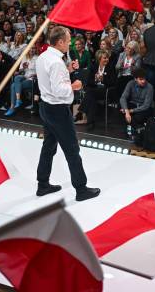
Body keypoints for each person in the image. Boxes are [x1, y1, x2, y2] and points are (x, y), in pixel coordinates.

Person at [35, 26, 100, 201]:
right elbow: (59, 90)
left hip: (46, 107)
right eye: (68, 39)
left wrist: (68, 70)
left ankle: (42, 184)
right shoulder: (56, 62)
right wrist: (74, 85)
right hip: (58, 110)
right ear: (60, 42)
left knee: (48, 147)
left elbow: (51, 79)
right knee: (72, 149)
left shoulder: (44, 57)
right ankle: (81, 189)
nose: (70, 43)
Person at [75, 50, 117, 128]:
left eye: (107, 58)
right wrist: (95, 80)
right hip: (94, 90)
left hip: (105, 91)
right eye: (104, 58)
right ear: (99, 59)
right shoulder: (93, 67)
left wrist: (103, 79)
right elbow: (88, 81)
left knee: (90, 93)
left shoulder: (111, 68)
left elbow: (113, 82)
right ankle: (90, 122)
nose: (107, 59)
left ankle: (80, 112)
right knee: (92, 98)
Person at [119, 68, 155, 139]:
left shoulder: (149, 87)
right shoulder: (130, 83)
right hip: (134, 104)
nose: (143, 81)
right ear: (135, 79)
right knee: (121, 108)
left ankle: (135, 130)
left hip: (146, 108)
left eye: (144, 79)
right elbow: (123, 98)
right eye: (141, 79)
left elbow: (146, 106)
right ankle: (139, 130)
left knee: (137, 118)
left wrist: (131, 111)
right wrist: (126, 111)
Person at [5, 46, 39, 116]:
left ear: (35, 49)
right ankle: (18, 100)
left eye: (33, 48)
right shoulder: (24, 57)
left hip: (32, 79)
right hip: (24, 76)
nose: (32, 50)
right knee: (17, 77)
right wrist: (23, 68)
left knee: (13, 86)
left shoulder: (38, 58)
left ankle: (12, 107)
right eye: (30, 48)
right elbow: (20, 71)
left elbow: (40, 71)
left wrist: (34, 75)